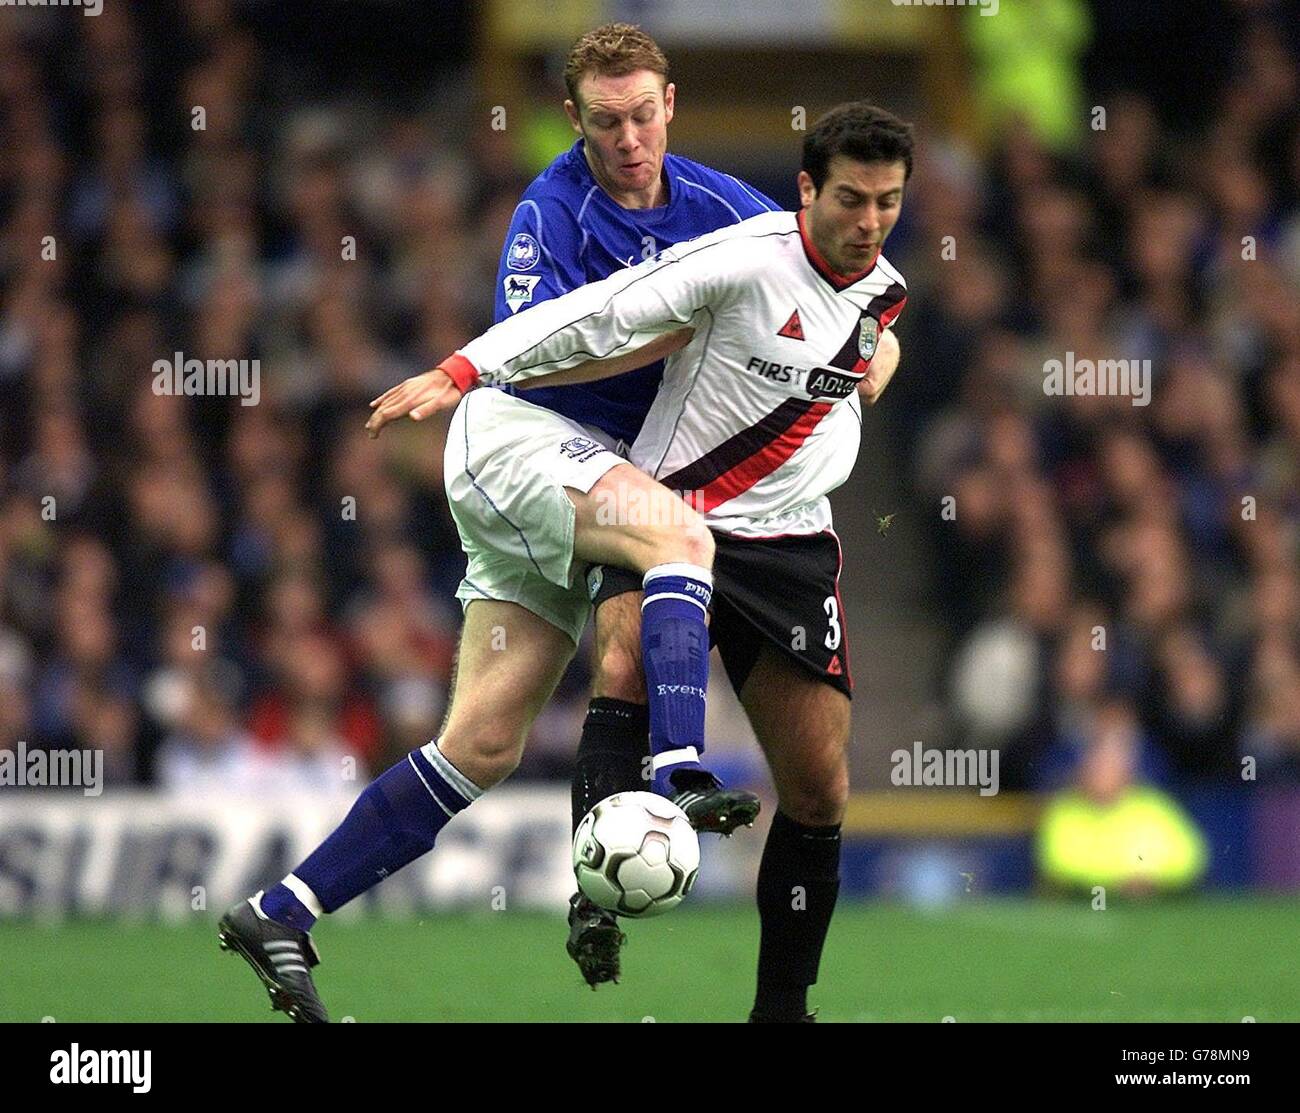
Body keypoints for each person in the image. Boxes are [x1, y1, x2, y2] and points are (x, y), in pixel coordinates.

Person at [363, 100, 911, 1022]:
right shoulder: (742, 256)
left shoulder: (884, 290)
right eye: (851, 199)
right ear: (808, 188)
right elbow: (598, 316)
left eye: (888, 203)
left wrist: (871, 374)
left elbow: (860, 358)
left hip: (789, 546)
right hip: (669, 507)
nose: (868, 222)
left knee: (819, 785)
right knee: (623, 665)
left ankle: (782, 1009)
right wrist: (466, 370)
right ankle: (597, 892)